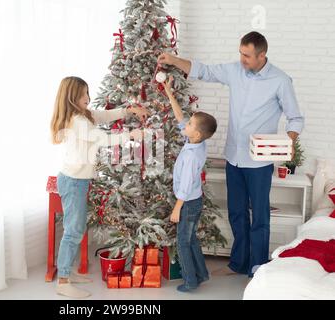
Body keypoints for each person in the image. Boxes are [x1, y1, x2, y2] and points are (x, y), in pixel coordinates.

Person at [158, 31, 304, 278]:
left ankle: (257, 267)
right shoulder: (235, 70)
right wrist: (173, 60)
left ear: (262, 55)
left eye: (247, 55)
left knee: (259, 215)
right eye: (240, 53)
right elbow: (203, 70)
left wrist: (286, 142)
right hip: (234, 157)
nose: (242, 59)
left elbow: (296, 118)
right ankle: (238, 263)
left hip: (259, 161)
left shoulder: (280, 80)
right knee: (236, 212)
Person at [50, 76, 149, 298]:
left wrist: (128, 111)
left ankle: (68, 272)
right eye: (84, 94)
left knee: (76, 229)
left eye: (87, 92)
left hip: (78, 181)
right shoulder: (78, 121)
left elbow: (103, 115)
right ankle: (63, 280)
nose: (88, 97)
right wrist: (131, 135)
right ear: (72, 97)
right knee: (73, 231)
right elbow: (102, 139)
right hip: (73, 181)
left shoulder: (83, 116)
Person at [163, 75, 217, 292]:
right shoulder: (196, 141)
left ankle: (190, 281)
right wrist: (169, 93)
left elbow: (185, 185)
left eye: (191, 123)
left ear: (195, 133)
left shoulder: (193, 156)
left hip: (187, 203)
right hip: (194, 202)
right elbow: (180, 118)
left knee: (183, 242)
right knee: (191, 239)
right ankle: (202, 274)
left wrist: (177, 209)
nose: (186, 124)